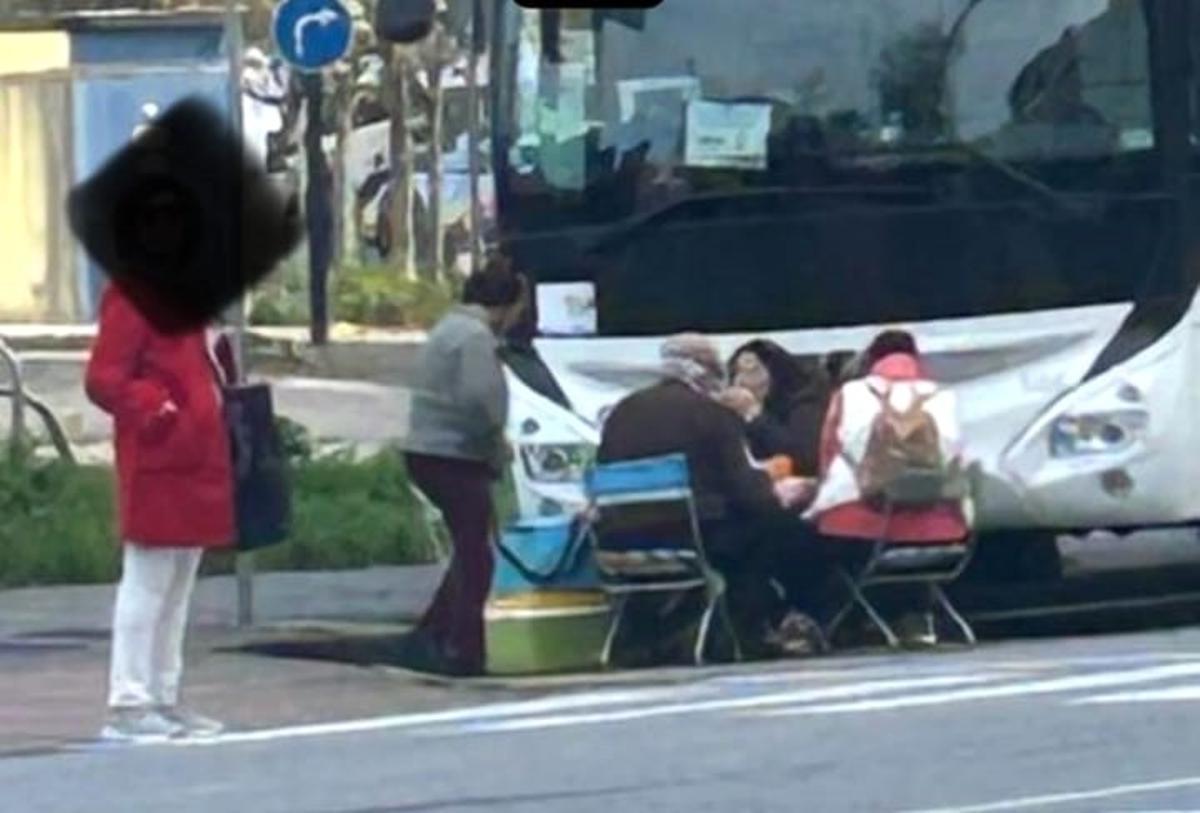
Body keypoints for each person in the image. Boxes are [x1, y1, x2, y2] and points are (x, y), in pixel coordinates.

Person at [596, 334, 824, 658]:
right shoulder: (711, 414)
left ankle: (653, 634)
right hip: (690, 538)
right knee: (775, 529)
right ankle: (745, 633)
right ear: (706, 370)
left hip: (618, 540)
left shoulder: (621, 412)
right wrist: (778, 490)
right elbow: (749, 493)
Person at [86, 283, 236, 742]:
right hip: (160, 455)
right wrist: (156, 407)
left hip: (196, 455)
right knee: (148, 581)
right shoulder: (135, 294)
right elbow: (103, 378)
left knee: (177, 586)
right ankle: (129, 701)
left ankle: (163, 694)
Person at [400, 257, 528, 676]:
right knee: (477, 555)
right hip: (453, 453)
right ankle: (464, 647)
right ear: (506, 305)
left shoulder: (449, 327)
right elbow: (482, 400)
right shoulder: (475, 338)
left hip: (428, 449)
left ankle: (435, 632)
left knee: (467, 545)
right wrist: (496, 443)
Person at [806, 330, 968, 646]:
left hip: (863, 525)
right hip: (942, 531)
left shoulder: (851, 393)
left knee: (816, 544)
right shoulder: (942, 395)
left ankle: (830, 624)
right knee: (906, 534)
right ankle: (913, 619)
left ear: (871, 359)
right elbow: (954, 457)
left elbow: (831, 454)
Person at [728, 339, 832, 477]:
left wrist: (757, 415)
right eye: (737, 372)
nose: (742, 381)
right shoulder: (735, 407)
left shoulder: (806, 401)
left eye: (753, 371)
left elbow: (805, 458)